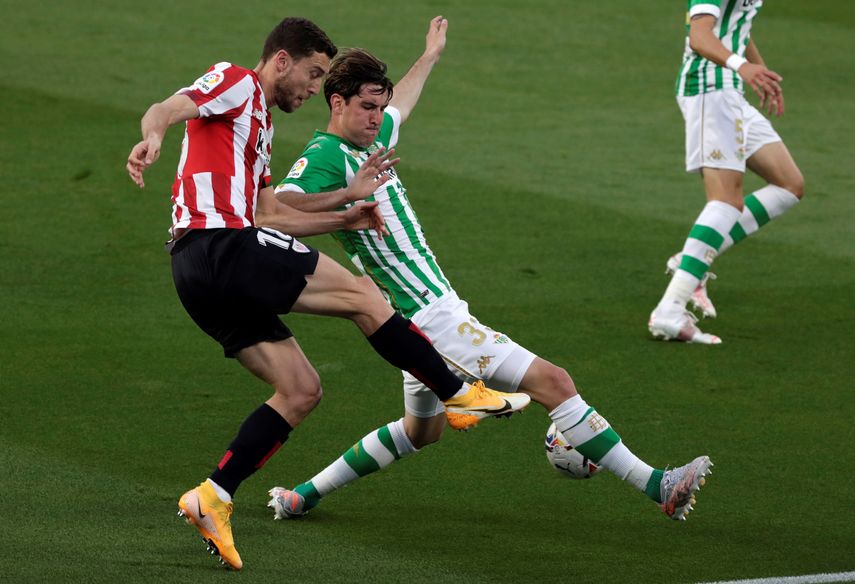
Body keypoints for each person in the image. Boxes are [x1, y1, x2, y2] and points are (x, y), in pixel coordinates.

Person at [267, 17, 712, 527]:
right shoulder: (327, 155)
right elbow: (279, 210)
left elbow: (402, 106)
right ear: (336, 102)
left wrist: (430, 55)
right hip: (430, 317)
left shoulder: (369, 136)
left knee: (420, 432)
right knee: (555, 382)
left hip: (409, 319)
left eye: (380, 106)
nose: (378, 117)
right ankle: (658, 485)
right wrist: (348, 200)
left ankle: (301, 496)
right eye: (367, 107)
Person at [126, 17, 529, 571]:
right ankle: (455, 392)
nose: (315, 88)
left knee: (300, 390)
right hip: (221, 244)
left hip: (195, 273)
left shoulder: (259, 125)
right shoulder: (238, 81)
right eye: (313, 74)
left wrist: (349, 205)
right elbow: (170, 107)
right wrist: (153, 134)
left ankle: (212, 497)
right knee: (366, 295)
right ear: (283, 61)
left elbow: (271, 213)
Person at [648, 0, 805, 344]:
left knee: (788, 185)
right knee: (725, 201)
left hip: (729, 90)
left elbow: (738, 23)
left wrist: (758, 70)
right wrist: (743, 67)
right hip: (708, 90)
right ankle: (669, 311)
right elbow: (700, 36)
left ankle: (691, 258)